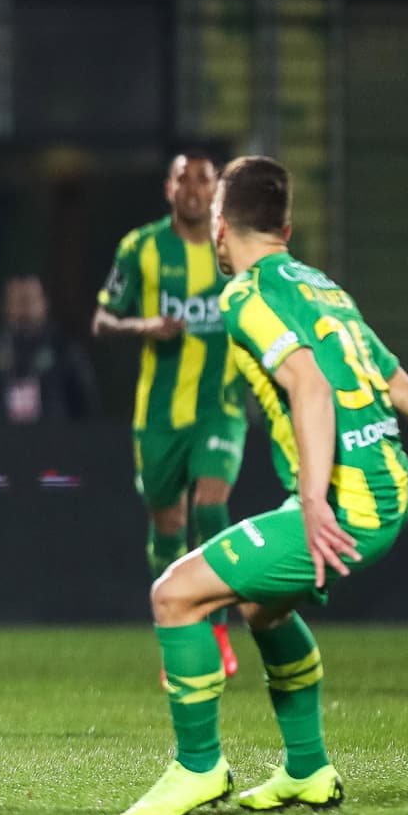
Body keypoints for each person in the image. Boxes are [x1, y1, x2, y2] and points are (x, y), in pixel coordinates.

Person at [119, 156, 408, 815]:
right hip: (386, 488)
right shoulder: (322, 288)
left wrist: (311, 502)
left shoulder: (245, 296)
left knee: (175, 595)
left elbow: (307, 383)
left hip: (344, 505)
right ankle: (308, 772)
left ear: (221, 228)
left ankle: (198, 769)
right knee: (262, 608)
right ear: (287, 225)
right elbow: (403, 388)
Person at [92, 151, 247, 679]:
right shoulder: (142, 248)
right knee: (169, 524)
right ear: (170, 189)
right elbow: (102, 319)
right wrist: (146, 327)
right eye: (185, 179)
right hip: (159, 413)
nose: (195, 190)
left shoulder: (238, 247)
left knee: (209, 508)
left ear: (216, 191)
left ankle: (221, 637)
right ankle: (176, 640)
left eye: (205, 180)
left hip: (220, 406)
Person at [0, 274, 98, 422]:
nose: (24, 311)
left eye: (29, 301)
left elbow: (87, 407)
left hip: (56, 440)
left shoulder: (65, 351)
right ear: (6, 306)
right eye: (17, 302)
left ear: (44, 303)